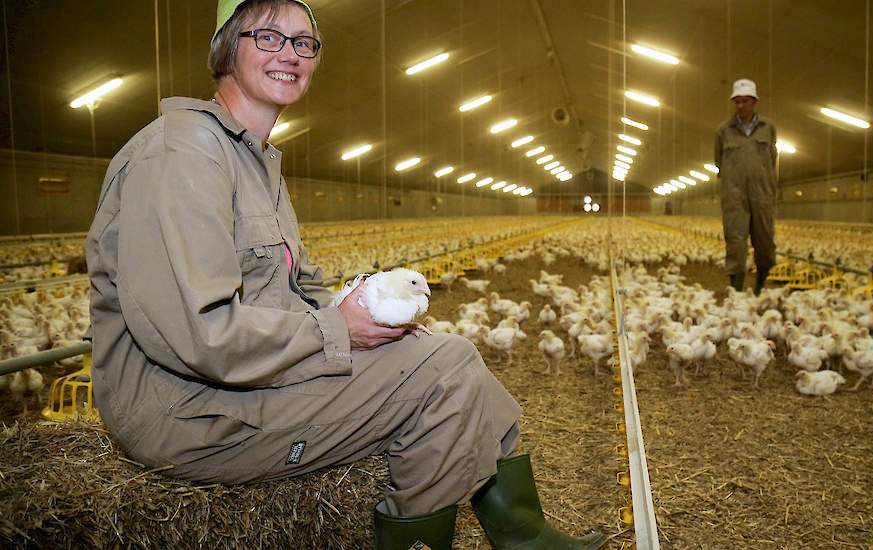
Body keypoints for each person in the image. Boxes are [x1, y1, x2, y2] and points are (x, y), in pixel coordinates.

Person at [84, 1, 607, 548]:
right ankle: (485, 537)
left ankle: (523, 533)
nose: (290, 54)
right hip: (189, 412)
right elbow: (199, 335)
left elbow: (299, 284)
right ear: (226, 48)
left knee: (449, 354)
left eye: (304, 43)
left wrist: (369, 319)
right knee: (444, 374)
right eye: (267, 38)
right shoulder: (183, 154)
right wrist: (340, 331)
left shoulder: (255, 160)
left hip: (241, 379)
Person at [714, 78, 778, 294]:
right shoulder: (723, 130)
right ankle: (736, 290)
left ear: (754, 102)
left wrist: (765, 183)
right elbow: (718, 162)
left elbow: (772, 159)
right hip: (734, 194)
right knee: (735, 240)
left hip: (762, 193)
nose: (740, 106)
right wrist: (732, 182)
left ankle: (760, 285)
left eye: (745, 101)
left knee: (764, 240)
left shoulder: (768, 128)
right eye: (737, 102)